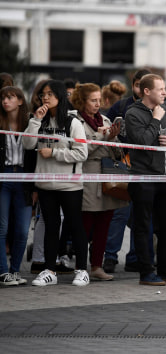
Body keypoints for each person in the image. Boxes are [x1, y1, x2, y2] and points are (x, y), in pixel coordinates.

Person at [23, 79, 90, 287]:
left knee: (76, 226)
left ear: (60, 97)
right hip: (45, 185)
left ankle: (82, 270)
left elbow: (82, 153)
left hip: (69, 185)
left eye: (50, 94)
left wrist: (54, 153)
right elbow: (27, 144)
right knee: (51, 227)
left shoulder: (73, 123)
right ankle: (49, 270)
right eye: (43, 94)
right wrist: (35, 121)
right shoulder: (39, 120)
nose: (45, 98)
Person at [125, 73, 166, 286]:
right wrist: (155, 119)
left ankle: (165, 268)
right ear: (146, 91)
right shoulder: (133, 113)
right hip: (143, 176)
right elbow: (142, 141)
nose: (165, 92)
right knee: (144, 226)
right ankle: (146, 272)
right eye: (160, 89)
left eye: (165, 88)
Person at [70, 83, 128, 281]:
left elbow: (117, 150)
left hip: (106, 175)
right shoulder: (74, 120)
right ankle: (80, 267)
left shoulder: (104, 118)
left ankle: (97, 266)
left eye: (99, 100)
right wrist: (101, 137)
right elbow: (81, 151)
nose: (98, 104)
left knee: (105, 222)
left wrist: (112, 138)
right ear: (82, 101)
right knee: (85, 224)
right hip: (86, 175)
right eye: (93, 100)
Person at [102, 68, 151, 274]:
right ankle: (110, 257)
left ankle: (135, 257)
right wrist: (111, 137)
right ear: (133, 86)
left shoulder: (157, 108)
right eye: (138, 85)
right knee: (120, 213)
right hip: (122, 165)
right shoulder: (120, 106)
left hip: (146, 167)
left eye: (144, 86)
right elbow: (105, 133)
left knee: (141, 214)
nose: (140, 89)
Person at [0, 86, 35, 286]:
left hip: (24, 178)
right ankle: (3, 271)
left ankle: (14, 271)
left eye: (10, 97)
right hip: (3, 177)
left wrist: (36, 187)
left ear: (20, 101)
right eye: (3, 98)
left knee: (22, 230)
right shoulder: (0, 122)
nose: (6, 101)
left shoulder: (30, 123)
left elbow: (35, 154)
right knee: (2, 227)